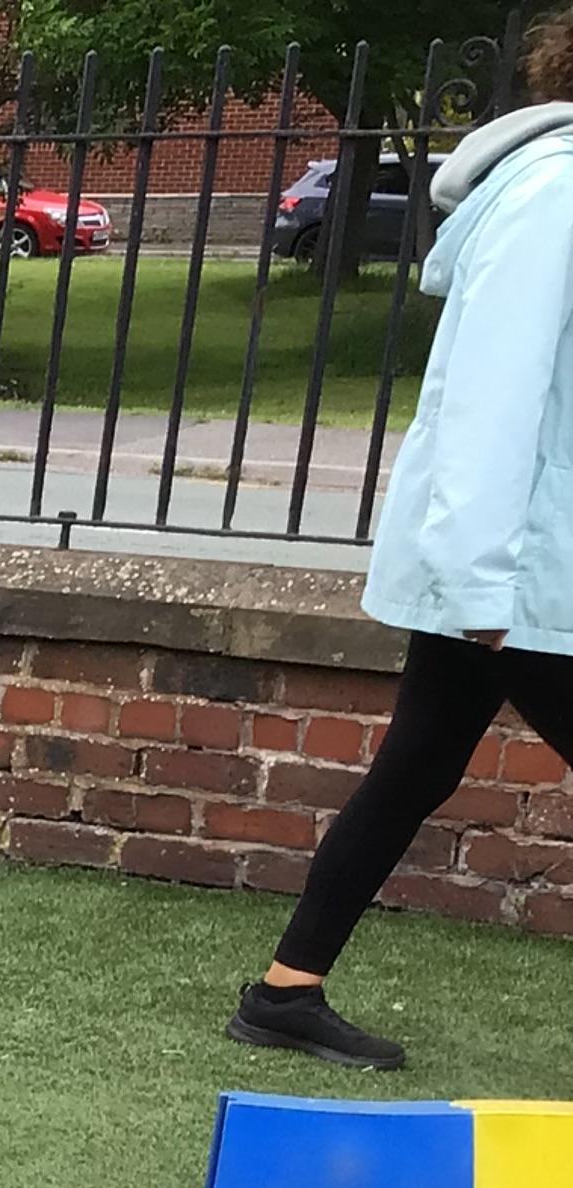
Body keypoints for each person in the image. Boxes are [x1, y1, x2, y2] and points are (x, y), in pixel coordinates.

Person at [232, 40, 573, 1070]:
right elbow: (490, 400)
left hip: (512, 568)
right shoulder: (557, 194)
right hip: (515, 574)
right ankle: (283, 994)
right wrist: (479, 583)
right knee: (413, 766)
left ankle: (286, 992)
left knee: (414, 766)